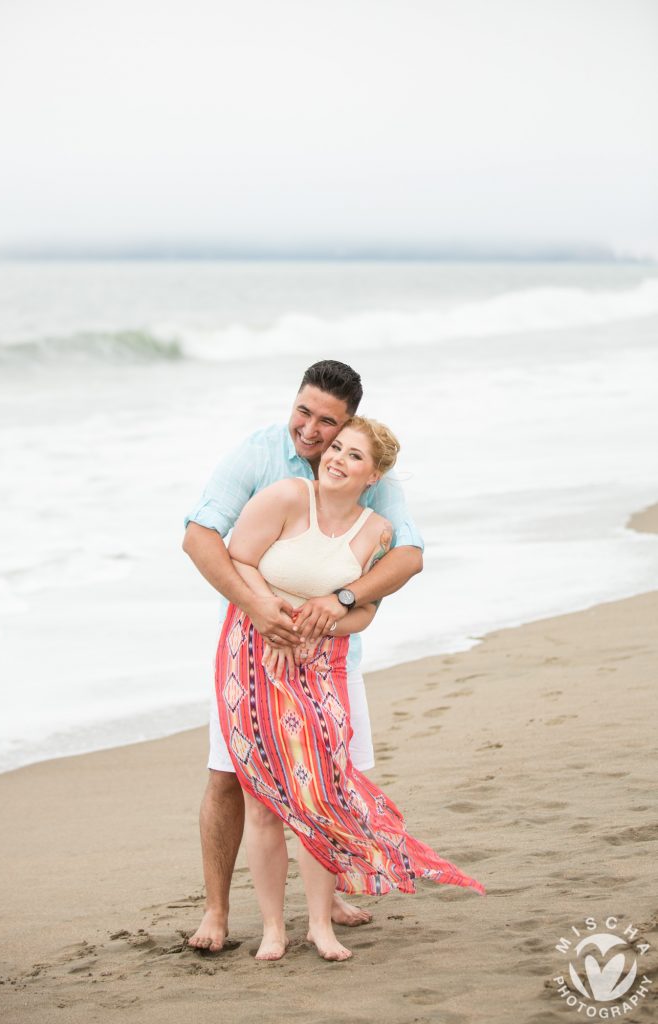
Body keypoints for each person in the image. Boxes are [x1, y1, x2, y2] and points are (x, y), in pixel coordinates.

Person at [216, 416, 485, 962]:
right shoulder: (288, 496)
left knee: (324, 794)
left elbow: (364, 612)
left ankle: (320, 924)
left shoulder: (377, 531)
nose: (336, 458)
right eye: (335, 447)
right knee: (265, 803)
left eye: (353, 455)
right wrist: (273, 616)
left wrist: (320, 622)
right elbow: (236, 557)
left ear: (375, 473)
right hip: (252, 651)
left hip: (321, 663)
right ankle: (273, 929)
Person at [183, 360, 424, 952]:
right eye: (304, 413)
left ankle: (326, 900)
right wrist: (260, 610)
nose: (314, 433)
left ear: (350, 424)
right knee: (228, 779)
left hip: (331, 658)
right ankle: (216, 911)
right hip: (248, 648)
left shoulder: (367, 467)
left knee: (331, 780)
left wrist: (340, 601)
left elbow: (407, 555)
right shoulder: (260, 457)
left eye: (331, 424)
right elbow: (200, 537)